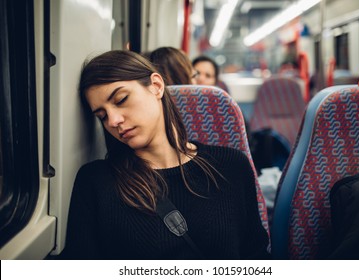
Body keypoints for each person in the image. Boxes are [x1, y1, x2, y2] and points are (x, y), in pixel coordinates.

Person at [62, 50, 270, 260]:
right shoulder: (96, 182)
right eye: (102, 116)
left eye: (121, 99)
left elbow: (256, 255)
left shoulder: (231, 166)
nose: (113, 121)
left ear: (157, 86)